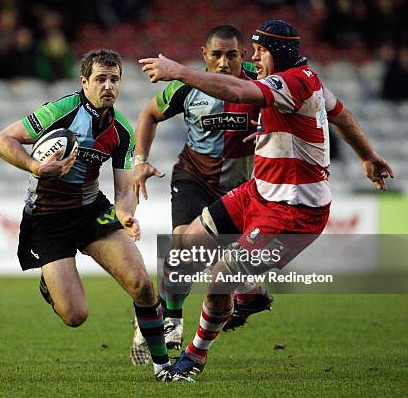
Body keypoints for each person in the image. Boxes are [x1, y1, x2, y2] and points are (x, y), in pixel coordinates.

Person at [140, 20, 393, 379]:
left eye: (260, 51)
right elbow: (342, 116)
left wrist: (178, 72)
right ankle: (248, 294)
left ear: (280, 52)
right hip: (258, 191)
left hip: (293, 212)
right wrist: (368, 155)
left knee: (218, 279)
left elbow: (239, 93)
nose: (253, 58)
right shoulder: (311, 80)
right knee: (187, 244)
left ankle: (195, 356)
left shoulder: (291, 82)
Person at [0, 49, 192, 382]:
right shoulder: (60, 112)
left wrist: (126, 215)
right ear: (84, 82)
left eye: (114, 79)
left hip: (91, 211)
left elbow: (124, 190)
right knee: (75, 315)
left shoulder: (122, 131)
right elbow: (1, 141)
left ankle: (163, 367)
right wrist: (36, 166)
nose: (108, 86)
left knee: (141, 284)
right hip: (47, 218)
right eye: (100, 79)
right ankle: (50, 283)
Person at [130, 25, 273, 365]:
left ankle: (243, 296)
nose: (224, 63)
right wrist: (139, 161)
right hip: (194, 177)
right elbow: (149, 114)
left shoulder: (263, 83)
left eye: (232, 55)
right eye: (217, 55)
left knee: (225, 267)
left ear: (243, 55)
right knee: (183, 243)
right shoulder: (186, 86)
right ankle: (172, 322)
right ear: (204, 55)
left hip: (241, 187)